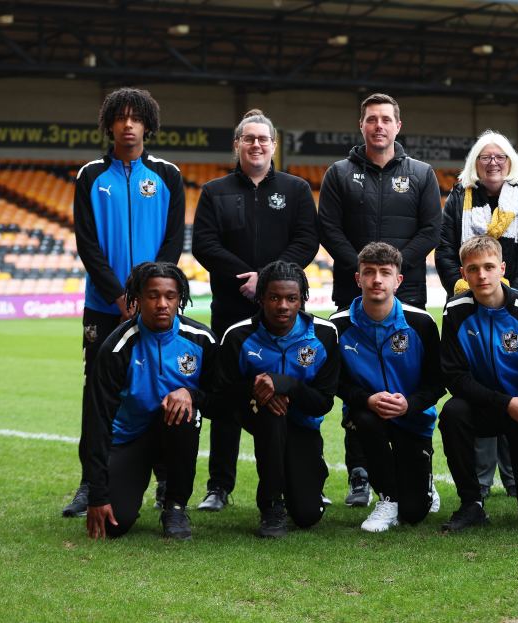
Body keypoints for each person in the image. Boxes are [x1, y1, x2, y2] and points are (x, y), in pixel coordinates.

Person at [191, 109, 320, 513]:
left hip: (283, 312)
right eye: (249, 139)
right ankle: (219, 485)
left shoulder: (297, 189)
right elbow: (204, 246)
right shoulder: (215, 191)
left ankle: (301, 475)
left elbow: (307, 242)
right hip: (231, 309)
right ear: (237, 145)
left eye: (264, 139)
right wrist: (245, 280)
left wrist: (265, 281)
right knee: (227, 395)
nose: (257, 145)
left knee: (290, 391)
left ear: (274, 146)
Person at [66, 87, 185, 518]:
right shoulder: (90, 175)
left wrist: (151, 293)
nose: (129, 124)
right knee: (97, 392)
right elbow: (87, 244)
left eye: (137, 118)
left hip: (158, 305)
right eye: (121, 117)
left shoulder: (168, 175)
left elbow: (173, 240)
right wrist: (120, 295)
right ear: (110, 124)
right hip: (104, 304)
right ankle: (88, 482)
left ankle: (166, 479)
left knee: (162, 384)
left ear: (148, 125)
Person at [318, 92, 442, 506]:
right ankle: (359, 471)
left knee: (409, 379)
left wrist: (390, 270)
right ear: (362, 125)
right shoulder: (338, 173)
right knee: (356, 380)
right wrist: (367, 269)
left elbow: (431, 229)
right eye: (372, 119)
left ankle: (418, 465)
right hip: (352, 288)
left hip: (405, 291)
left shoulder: (422, 174)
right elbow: (328, 229)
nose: (379, 126)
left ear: (397, 126)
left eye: (386, 119)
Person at [436, 130, 518, 500]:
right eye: (485, 157)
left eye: (499, 157)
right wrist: (472, 289)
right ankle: (480, 483)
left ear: (511, 162)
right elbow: (444, 251)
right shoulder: (459, 198)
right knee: (476, 384)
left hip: (517, 302)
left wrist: (511, 293)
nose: (492, 163)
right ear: (475, 163)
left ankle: (517, 473)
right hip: (473, 301)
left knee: (517, 378)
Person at [438, 235, 518, 532]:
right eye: (472, 269)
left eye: (488, 267)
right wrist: (504, 403)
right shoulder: (455, 312)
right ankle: (471, 503)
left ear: (502, 269)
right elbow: (454, 377)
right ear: (463, 274)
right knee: (453, 413)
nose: (481, 275)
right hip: (490, 407)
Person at [83, 262, 215, 540]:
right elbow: (96, 422)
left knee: (184, 412)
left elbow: (222, 399)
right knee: (113, 526)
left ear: (181, 298)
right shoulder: (117, 347)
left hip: (176, 431)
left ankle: (175, 505)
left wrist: (192, 394)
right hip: (131, 438)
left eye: (170, 295)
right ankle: (141, 479)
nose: (162, 304)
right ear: (137, 298)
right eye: (153, 295)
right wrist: (97, 496)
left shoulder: (201, 340)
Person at [213, 261, 339, 538]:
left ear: (303, 299)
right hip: (258, 416)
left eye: (291, 298)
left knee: (307, 515)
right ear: (261, 298)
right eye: (274, 297)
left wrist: (286, 385)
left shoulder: (324, 335)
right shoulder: (238, 336)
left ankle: (307, 480)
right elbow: (217, 399)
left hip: (303, 421)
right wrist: (256, 391)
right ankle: (271, 505)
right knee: (271, 412)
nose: (283, 305)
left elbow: (324, 402)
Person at [330, 242, 445, 532]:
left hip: (413, 418)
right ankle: (387, 498)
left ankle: (422, 479)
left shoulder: (421, 323)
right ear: (358, 279)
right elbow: (335, 381)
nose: (377, 279)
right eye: (369, 272)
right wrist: (367, 400)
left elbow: (438, 381)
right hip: (368, 417)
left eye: (385, 272)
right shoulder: (338, 325)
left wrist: (410, 404)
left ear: (399, 280)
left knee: (415, 513)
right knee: (365, 418)